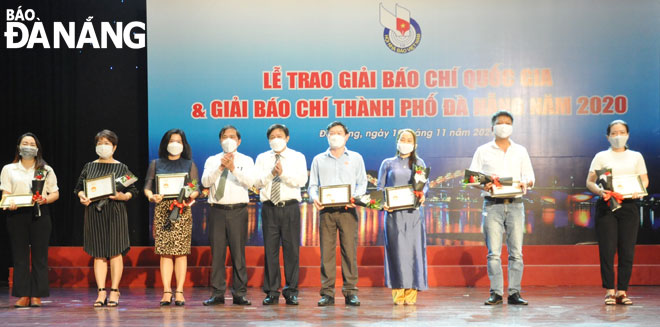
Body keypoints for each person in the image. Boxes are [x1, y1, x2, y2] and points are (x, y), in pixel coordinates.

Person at [468, 110, 534, 306]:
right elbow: (472, 177)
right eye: (499, 123)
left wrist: (525, 183)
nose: (503, 126)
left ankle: (514, 293)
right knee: (493, 253)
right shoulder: (483, 150)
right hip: (492, 205)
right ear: (492, 127)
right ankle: (496, 293)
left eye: (507, 123)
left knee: (516, 252)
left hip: (515, 205)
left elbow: (530, 177)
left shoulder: (520, 150)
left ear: (511, 127)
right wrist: (484, 184)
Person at [586, 120, 648, 305]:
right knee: (607, 249)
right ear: (608, 136)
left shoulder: (636, 156)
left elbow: (645, 180)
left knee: (627, 250)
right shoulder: (601, 156)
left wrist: (639, 189)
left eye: (621, 132)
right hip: (607, 205)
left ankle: (622, 291)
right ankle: (609, 291)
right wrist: (599, 191)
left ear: (628, 135)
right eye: (614, 133)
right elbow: (590, 182)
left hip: (629, 206)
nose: (618, 136)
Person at [74, 130, 138, 307]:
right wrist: (82, 196)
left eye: (107, 143)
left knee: (116, 252)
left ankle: (115, 291)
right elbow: (78, 188)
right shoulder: (90, 166)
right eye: (100, 143)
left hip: (116, 212)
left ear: (114, 147)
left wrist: (122, 197)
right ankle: (101, 292)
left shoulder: (122, 168)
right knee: (99, 254)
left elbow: (133, 191)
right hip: (95, 213)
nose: (103, 146)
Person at [309, 121, 367, 306]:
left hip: (348, 211)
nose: (335, 135)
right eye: (332, 133)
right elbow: (312, 185)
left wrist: (355, 198)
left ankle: (351, 292)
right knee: (326, 252)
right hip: (326, 211)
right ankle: (327, 293)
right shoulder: (318, 159)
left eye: (339, 132)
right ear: (327, 136)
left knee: (349, 251)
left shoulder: (356, 157)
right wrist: (314, 198)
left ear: (346, 136)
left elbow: (362, 183)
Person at [1, 133, 59, 308]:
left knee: (40, 257)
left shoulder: (45, 169)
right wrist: (8, 203)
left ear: (37, 148)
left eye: (31, 143)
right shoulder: (8, 169)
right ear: (19, 147)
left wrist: (45, 199)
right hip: (16, 215)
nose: (28, 146)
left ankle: (37, 295)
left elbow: (55, 193)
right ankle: (23, 294)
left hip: (40, 214)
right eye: (24, 143)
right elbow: (6, 194)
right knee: (20, 257)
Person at [144, 129, 199, 306]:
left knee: (181, 252)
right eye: (172, 141)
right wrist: (151, 196)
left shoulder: (189, 164)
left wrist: (190, 194)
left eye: (179, 141)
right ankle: (167, 291)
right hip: (162, 211)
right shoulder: (156, 163)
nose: (175, 144)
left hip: (182, 210)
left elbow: (195, 188)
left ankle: (180, 291)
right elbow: (147, 187)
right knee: (165, 253)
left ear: (184, 145)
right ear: (165, 144)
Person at [254, 124, 307, 305]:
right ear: (269, 140)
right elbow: (257, 182)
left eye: (279, 136)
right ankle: (272, 291)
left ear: (287, 138)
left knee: (292, 251)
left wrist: (282, 174)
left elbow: (301, 180)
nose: (276, 139)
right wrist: (271, 174)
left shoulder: (297, 156)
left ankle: (291, 291)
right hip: (269, 208)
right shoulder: (262, 158)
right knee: (271, 251)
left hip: (290, 207)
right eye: (272, 137)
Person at [201, 125, 254, 306]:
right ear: (220, 140)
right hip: (217, 210)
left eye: (232, 137)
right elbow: (205, 181)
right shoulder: (212, 160)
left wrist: (233, 169)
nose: (228, 140)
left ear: (239, 141)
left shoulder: (246, 160)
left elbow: (250, 182)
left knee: (238, 253)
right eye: (225, 136)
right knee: (217, 254)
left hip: (238, 210)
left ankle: (239, 293)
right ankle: (217, 293)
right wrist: (220, 168)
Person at [377, 129, 428, 305]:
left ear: (415, 144)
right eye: (402, 139)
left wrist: (422, 194)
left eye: (409, 140)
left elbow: (424, 187)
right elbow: (380, 188)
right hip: (393, 215)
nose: (405, 142)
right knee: (396, 252)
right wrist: (382, 203)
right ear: (397, 141)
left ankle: (412, 290)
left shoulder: (419, 163)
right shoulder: (387, 163)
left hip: (413, 214)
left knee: (414, 251)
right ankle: (398, 291)